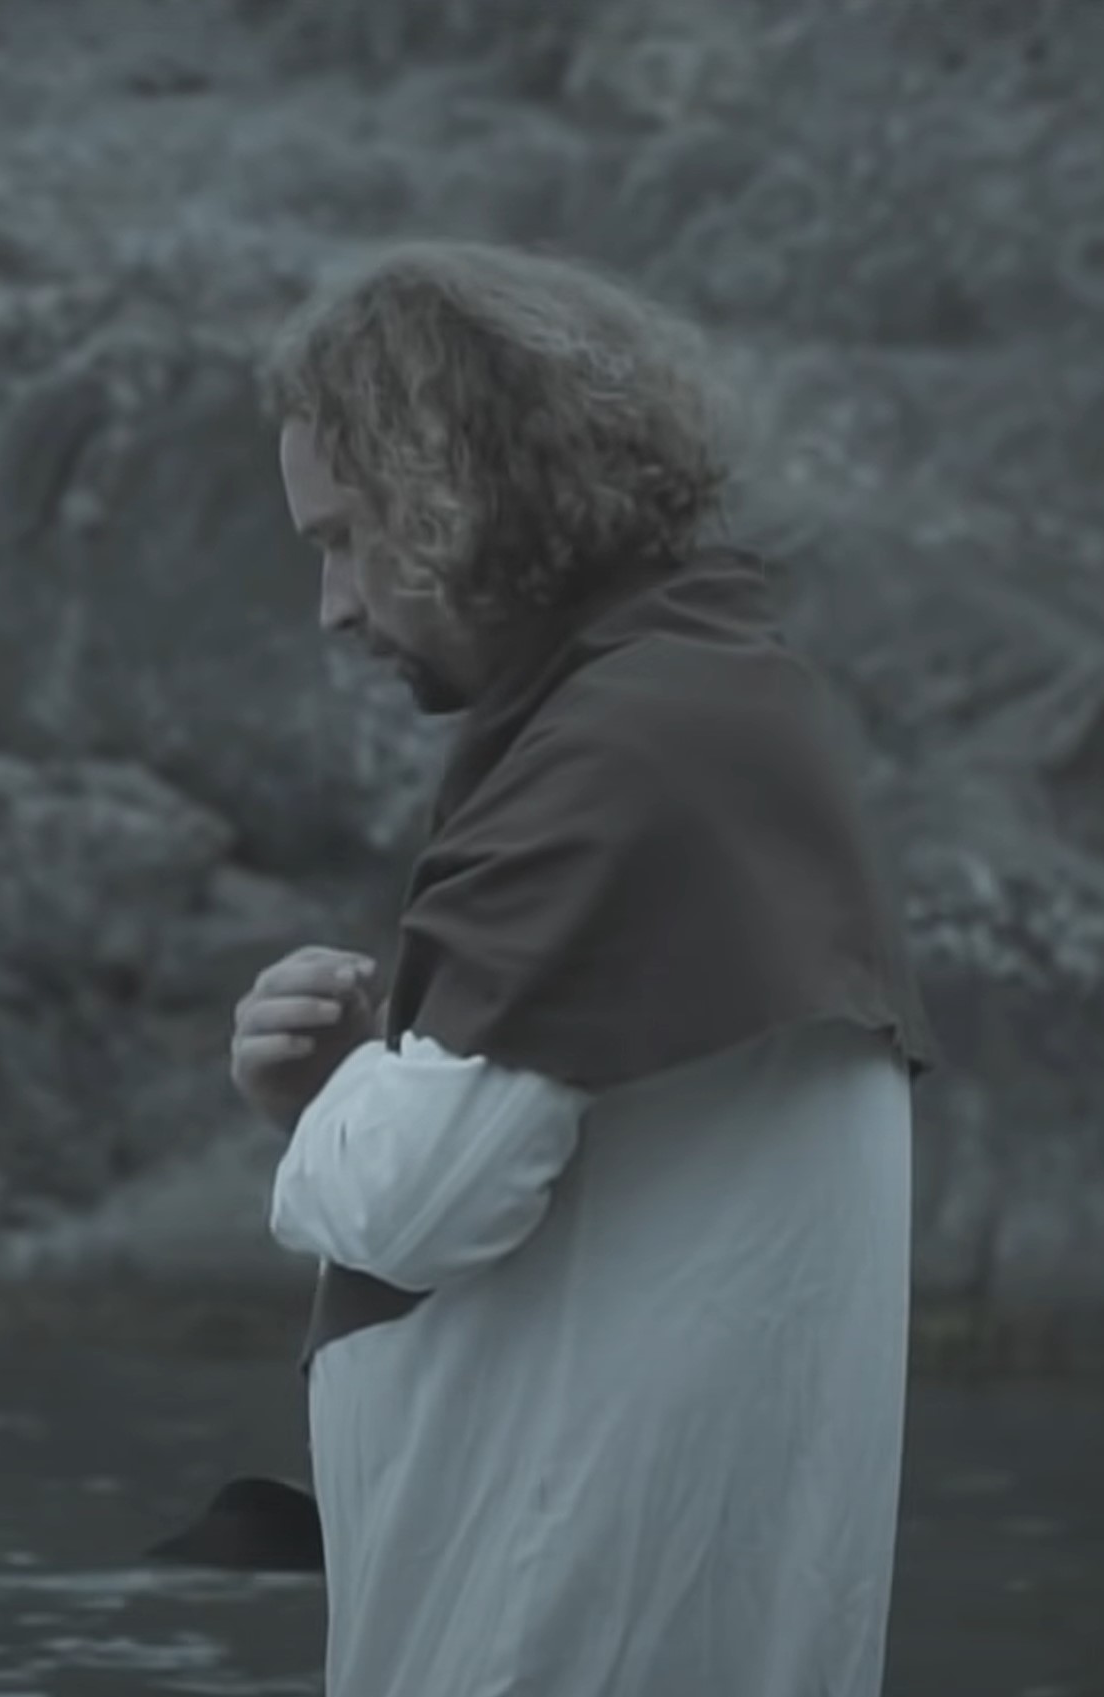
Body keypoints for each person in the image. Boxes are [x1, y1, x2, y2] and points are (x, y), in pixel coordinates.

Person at [222, 243, 937, 1694]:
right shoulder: (713, 707)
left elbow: (421, 1201)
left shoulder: (623, 753)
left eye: (345, 537)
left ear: (458, 488)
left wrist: (324, 1102)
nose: (333, 606)